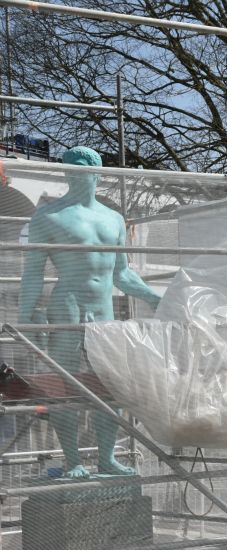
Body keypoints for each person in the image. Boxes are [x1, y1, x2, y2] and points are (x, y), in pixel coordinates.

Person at [18, 146, 161, 478]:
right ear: (66, 172)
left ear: (97, 172)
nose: (78, 172)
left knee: (113, 387)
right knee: (64, 387)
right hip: (67, 308)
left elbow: (122, 274)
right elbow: (33, 272)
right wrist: (27, 314)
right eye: (72, 167)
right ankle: (72, 461)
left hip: (104, 311)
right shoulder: (49, 216)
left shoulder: (114, 219)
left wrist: (153, 297)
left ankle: (106, 458)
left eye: (85, 167)